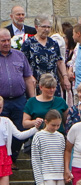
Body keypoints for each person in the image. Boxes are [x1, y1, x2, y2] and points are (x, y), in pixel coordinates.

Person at [0, 28, 36, 166]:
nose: (6, 43)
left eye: (8, 40)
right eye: (3, 41)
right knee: (2, 132)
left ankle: (12, 157)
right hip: (1, 102)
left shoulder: (19, 56)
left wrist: (32, 100)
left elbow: (28, 78)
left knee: (21, 128)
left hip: (19, 99)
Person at [22, 16, 70, 92]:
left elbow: (59, 61)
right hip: (37, 83)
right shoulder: (28, 43)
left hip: (52, 83)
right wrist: (29, 77)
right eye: (44, 27)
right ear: (36, 27)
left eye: (49, 27)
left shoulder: (53, 43)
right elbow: (23, 63)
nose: (46, 29)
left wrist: (65, 77)